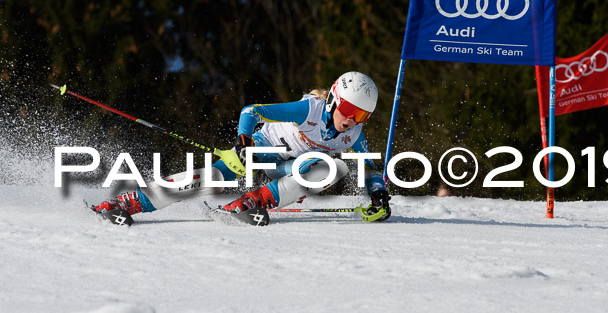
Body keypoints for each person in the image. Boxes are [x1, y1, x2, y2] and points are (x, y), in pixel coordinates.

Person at [91, 71, 391, 222]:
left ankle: (251, 203)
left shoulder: (354, 135)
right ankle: (124, 204)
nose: (353, 120)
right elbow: (252, 110)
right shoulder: (308, 109)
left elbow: (370, 169)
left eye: (362, 115)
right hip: (261, 150)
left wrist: (378, 193)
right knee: (213, 179)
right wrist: (245, 140)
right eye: (350, 111)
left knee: (333, 168)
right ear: (335, 100)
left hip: (288, 170)